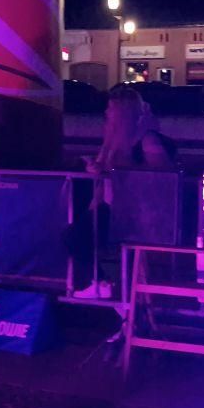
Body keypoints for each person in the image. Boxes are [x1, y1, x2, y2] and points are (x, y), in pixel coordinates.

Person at [73, 85, 176, 300]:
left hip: (133, 211)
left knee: (76, 236)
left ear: (122, 112)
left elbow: (163, 174)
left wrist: (118, 171)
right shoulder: (113, 140)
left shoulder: (146, 139)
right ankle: (106, 284)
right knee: (78, 236)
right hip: (113, 205)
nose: (106, 113)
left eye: (111, 109)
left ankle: (106, 284)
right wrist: (95, 168)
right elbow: (104, 168)